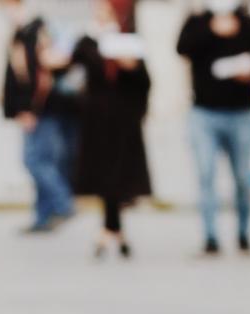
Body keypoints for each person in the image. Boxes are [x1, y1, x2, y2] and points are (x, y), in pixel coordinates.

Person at [72, 0, 152, 259]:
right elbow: (77, 66)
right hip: (98, 123)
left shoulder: (129, 42)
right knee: (106, 177)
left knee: (121, 177)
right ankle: (115, 231)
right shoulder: (87, 42)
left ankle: (110, 230)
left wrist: (131, 66)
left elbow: (145, 82)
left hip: (124, 121)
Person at [178, 0, 250, 254]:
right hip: (204, 113)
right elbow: (182, 48)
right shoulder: (198, 20)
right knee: (206, 175)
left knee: (243, 178)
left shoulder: (248, 24)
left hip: (241, 113)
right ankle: (211, 237)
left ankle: (244, 234)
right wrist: (211, 29)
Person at [1, 0, 82, 233]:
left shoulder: (36, 32)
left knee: (36, 160)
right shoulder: (21, 33)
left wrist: (29, 108)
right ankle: (43, 217)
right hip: (36, 111)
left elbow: (38, 76)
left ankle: (63, 202)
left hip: (41, 111)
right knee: (40, 160)